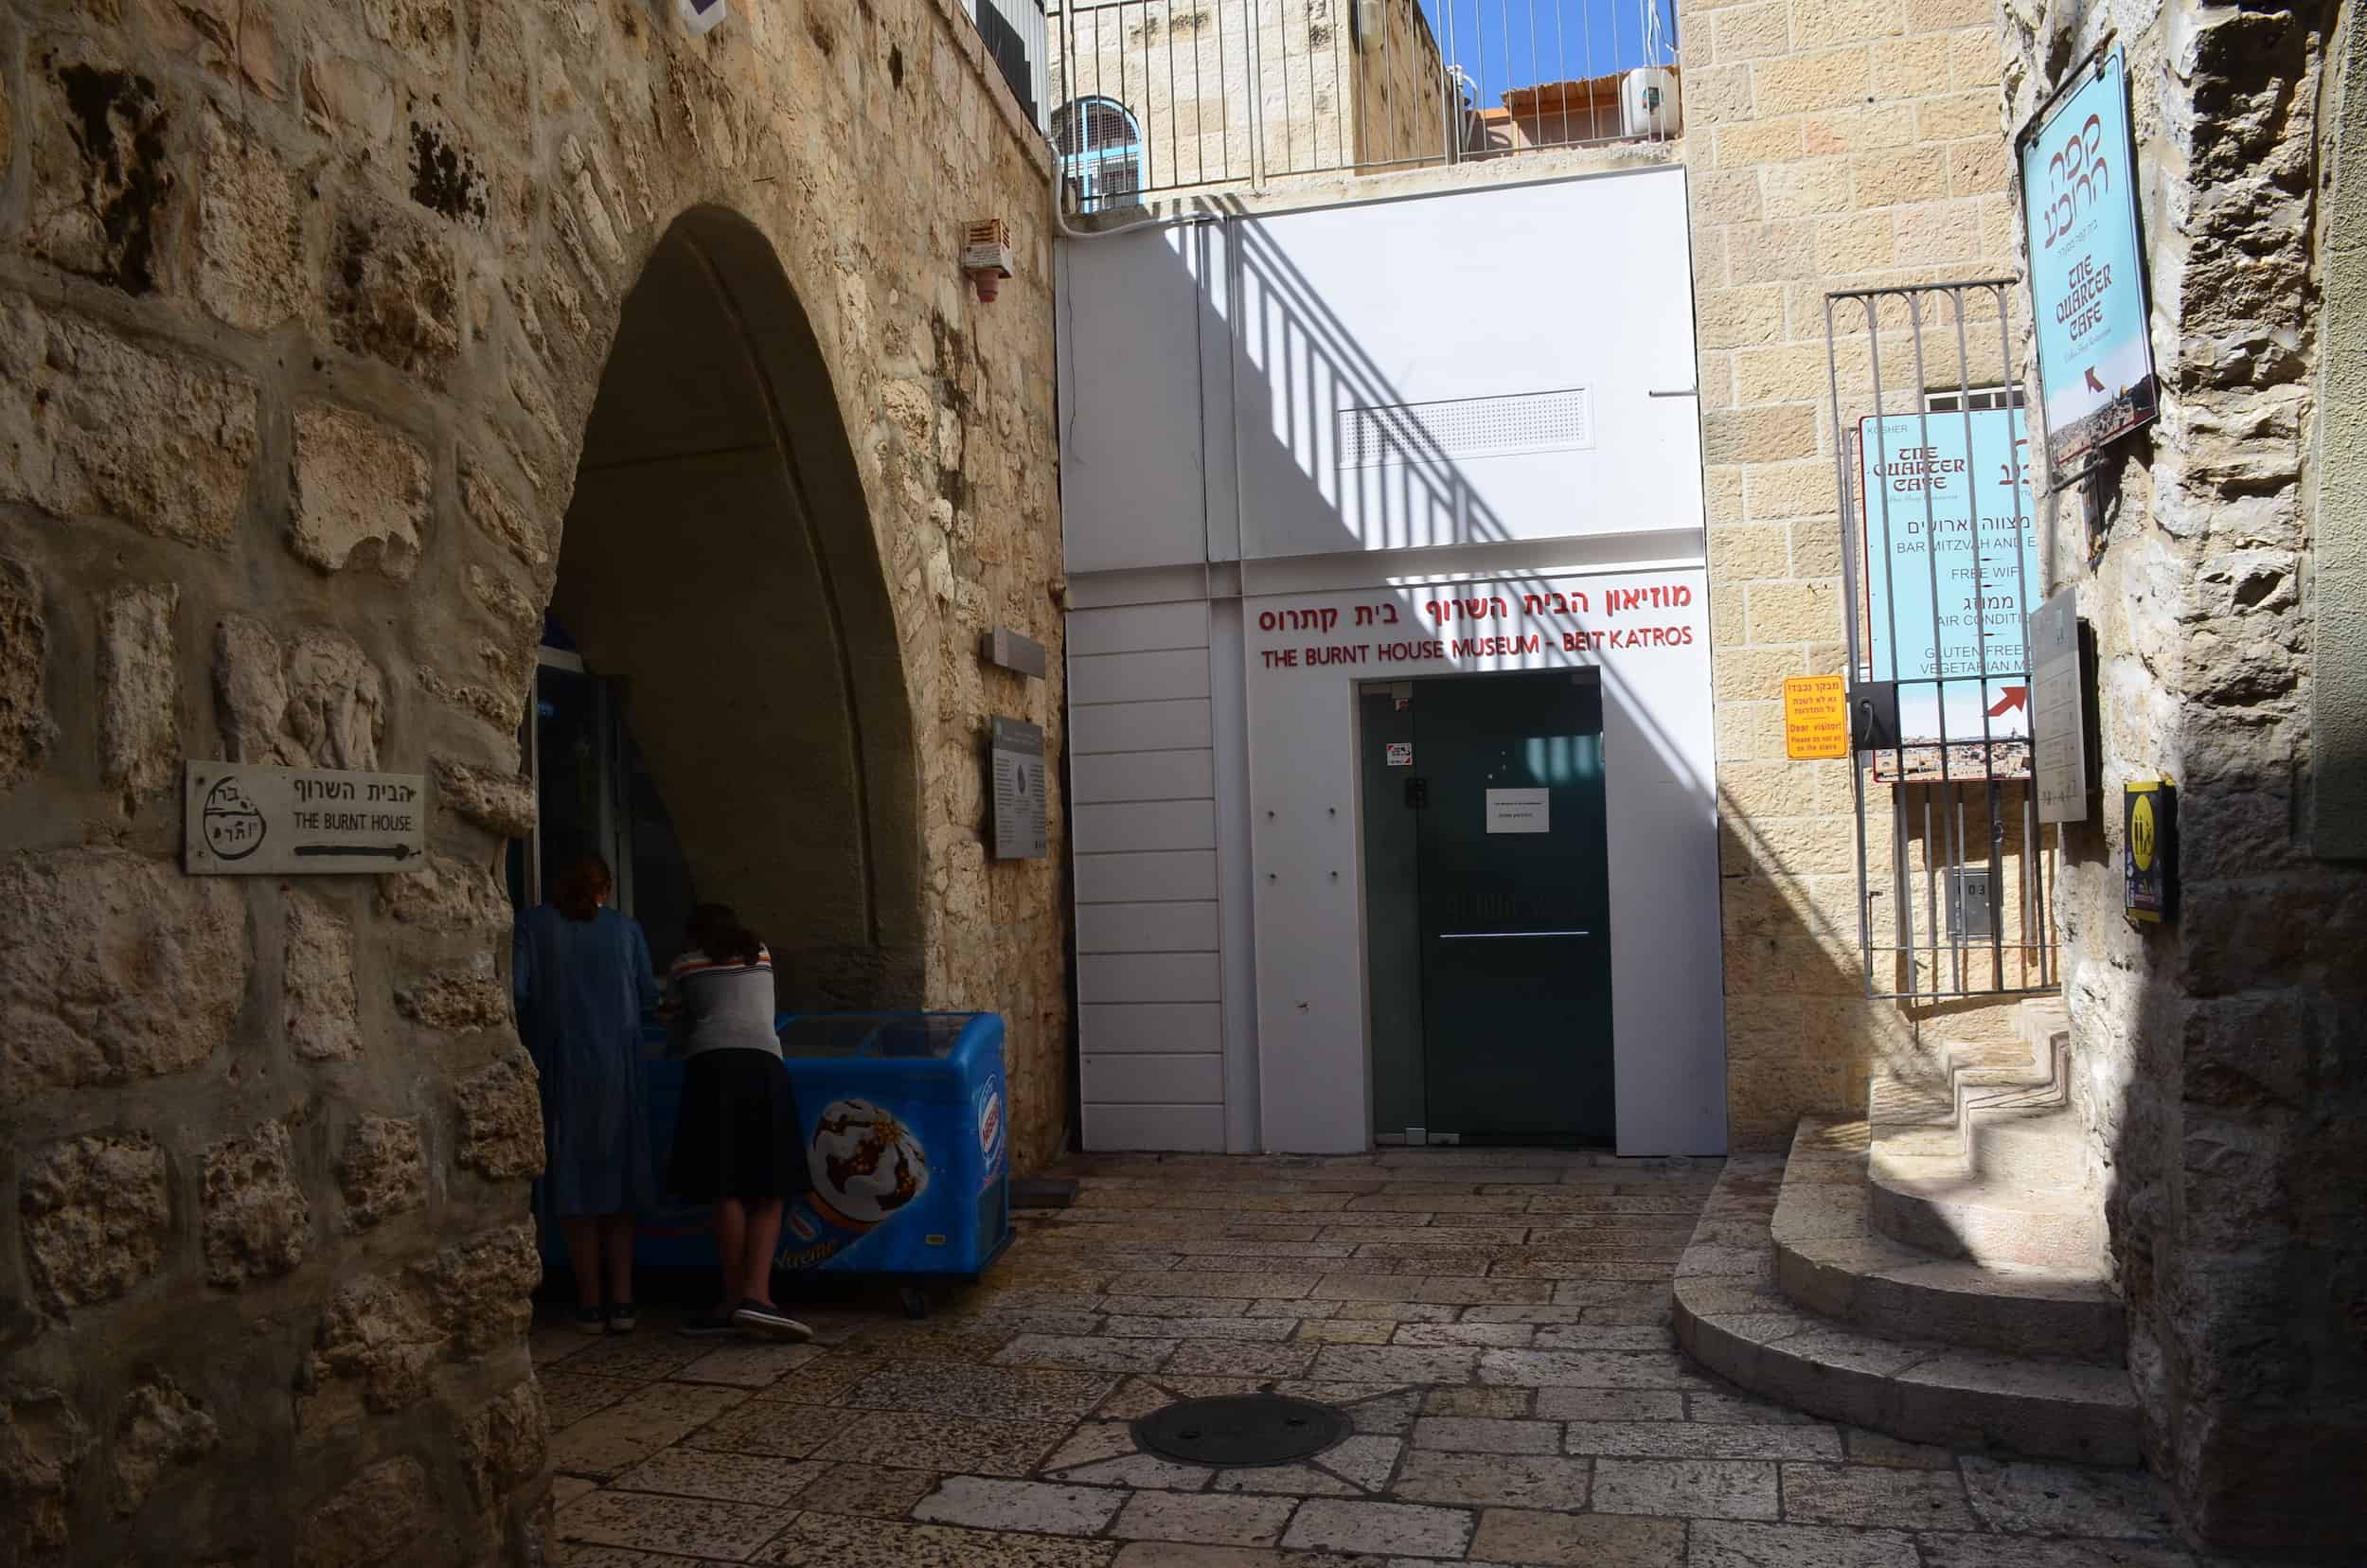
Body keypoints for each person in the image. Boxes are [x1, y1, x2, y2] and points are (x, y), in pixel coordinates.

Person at [513, 855, 660, 1334]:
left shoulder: (534, 926)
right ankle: (623, 1301)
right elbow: (646, 997)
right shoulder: (625, 929)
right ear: (607, 888)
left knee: (574, 1184)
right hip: (619, 1071)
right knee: (618, 1184)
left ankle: (589, 1302)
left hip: (562, 1068)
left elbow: (519, 991)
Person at [661, 904, 812, 1341]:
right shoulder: (759, 954)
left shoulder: (685, 963)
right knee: (770, 1185)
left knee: (724, 1187)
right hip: (766, 1068)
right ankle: (758, 1296)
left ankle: (729, 1299)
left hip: (711, 1071)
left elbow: (671, 1027)